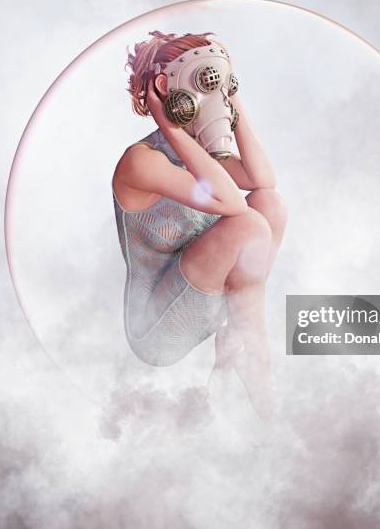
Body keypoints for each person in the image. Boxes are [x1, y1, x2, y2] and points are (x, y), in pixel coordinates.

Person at [112, 30, 287, 417]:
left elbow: (262, 181)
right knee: (251, 225)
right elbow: (229, 202)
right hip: (159, 332)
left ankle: (239, 347)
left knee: (269, 206)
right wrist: (169, 124)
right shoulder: (143, 162)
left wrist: (232, 95)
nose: (215, 96)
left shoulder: (203, 156)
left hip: (208, 306)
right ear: (166, 89)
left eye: (220, 84)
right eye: (205, 82)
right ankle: (255, 368)